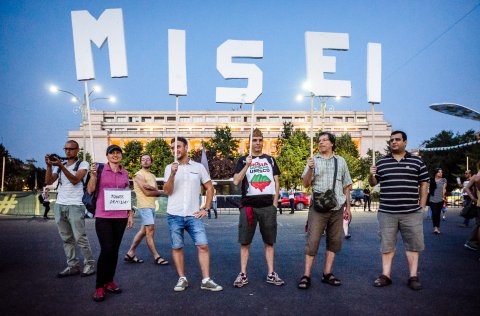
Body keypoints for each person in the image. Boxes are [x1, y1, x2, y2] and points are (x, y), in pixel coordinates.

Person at [369, 131, 429, 291]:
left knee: (413, 245)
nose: (394, 142)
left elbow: (424, 183)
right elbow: (373, 183)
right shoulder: (382, 163)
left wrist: (422, 207)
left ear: (405, 142)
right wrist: (371, 175)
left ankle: (413, 276)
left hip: (411, 212)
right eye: (391, 140)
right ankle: (385, 275)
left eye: (397, 139)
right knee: (387, 245)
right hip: (387, 212)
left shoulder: (417, 162)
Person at [163, 137, 223, 292]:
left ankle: (206, 280)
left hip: (193, 214)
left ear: (186, 147)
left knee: (203, 245)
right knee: (177, 247)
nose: (175, 150)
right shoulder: (169, 167)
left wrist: (206, 208)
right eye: (172, 147)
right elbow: (167, 191)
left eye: (178, 146)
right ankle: (182, 278)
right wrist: (172, 174)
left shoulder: (199, 167)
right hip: (174, 214)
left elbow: (210, 188)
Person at [297, 132, 352, 289]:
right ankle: (306, 275)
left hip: (337, 207)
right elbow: (306, 184)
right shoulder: (313, 160)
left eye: (324, 140)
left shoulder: (341, 161)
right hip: (318, 208)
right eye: (319, 140)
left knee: (334, 242)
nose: (321, 143)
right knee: (312, 241)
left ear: (332, 143)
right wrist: (310, 169)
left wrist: (348, 207)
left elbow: (346, 185)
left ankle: (327, 273)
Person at [232, 128, 284, 288]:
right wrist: (247, 165)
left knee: (269, 242)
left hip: (268, 207)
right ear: (250, 142)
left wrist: (275, 204)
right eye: (254, 140)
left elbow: (276, 181)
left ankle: (271, 273)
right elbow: (236, 181)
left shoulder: (270, 160)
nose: (258, 143)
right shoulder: (242, 160)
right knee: (245, 242)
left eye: (260, 140)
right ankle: (243, 274)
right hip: (248, 206)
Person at [89, 145, 134, 302]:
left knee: (114, 250)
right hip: (103, 216)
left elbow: (126, 194)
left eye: (118, 153)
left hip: (120, 217)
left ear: (121, 156)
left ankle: (109, 281)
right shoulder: (100, 170)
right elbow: (90, 190)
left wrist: (130, 214)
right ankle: (99, 286)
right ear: (107, 156)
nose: (115, 155)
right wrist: (93, 176)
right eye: (112, 153)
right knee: (106, 249)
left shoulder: (125, 173)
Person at [44, 140, 95, 278]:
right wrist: (48, 166)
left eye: (71, 149)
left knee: (80, 238)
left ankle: (89, 264)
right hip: (60, 204)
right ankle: (72, 265)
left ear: (77, 150)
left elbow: (75, 180)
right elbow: (48, 181)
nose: (68, 151)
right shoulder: (59, 166)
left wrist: (61, 165)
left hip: (76, 205)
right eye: (65, 148)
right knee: (66, 238)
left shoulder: (83, 164)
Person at [125, 154, 169, 265]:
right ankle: (156, 256)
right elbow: (146, 191)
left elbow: (155, 192)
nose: (145, 161)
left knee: (143, 231)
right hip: (144, 206)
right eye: (143, 160)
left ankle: (130, 253)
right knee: (150, 231)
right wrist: (154, 189)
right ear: (140, 162)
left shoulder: (152, 176)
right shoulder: (138, 175)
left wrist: (153, 189)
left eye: (148, 159)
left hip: (151, 206)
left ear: (151, 162)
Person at [463, 166, 480, 256]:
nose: (466, 174)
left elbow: (467, 188)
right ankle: (470, 241)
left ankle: (472, 242)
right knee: (478, 224)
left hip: (478, 202)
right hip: (478, 202)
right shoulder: (476, 176)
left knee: (478, 224)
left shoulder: (474, 176)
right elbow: (466, 188)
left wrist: (473, 198)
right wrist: (473, 198)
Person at [428, 168, 447, 234]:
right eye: (439, 172)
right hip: (432, 199)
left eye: (441, 172)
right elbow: (427, 188)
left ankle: (437, 227)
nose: (441, 173)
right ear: (436, 173)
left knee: (438, 214)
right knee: (434, 213)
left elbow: (444, 189)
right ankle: (435, 228)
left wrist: (443, 195)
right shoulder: (431, 180)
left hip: (440, 199)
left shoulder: (444, 180)